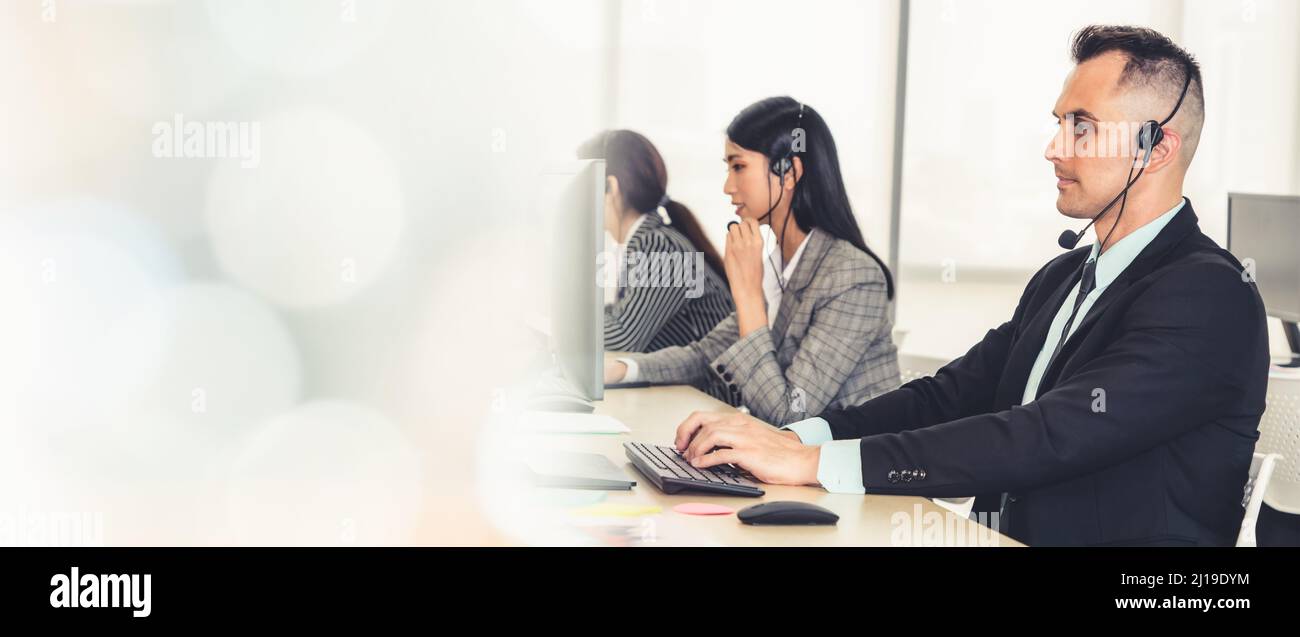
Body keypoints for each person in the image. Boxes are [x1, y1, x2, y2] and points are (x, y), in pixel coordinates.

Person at [671, 26, 1269, 546]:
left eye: (1081, 128)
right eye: (1059, 124)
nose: (1053, 149)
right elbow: (948, 395)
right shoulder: (1065, 276)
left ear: (1155, 147)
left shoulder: (1207, 296)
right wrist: (792, 436)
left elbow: (1045, 434)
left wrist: (813, 463)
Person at [605, 97, 899, 426]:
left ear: (789, 172)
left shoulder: (852, 276)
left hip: (835, 471)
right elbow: (704, 355)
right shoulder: (781, 266)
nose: (728, 186)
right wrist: (622, 370)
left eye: (739, 166)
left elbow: (790, 415)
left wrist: (747, 293)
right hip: (786, 461)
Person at [580, 130, 733, 352]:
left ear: (611, 188)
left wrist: (562, 325)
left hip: (704, 387)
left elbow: (623, 338)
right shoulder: (646, 242)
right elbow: (619, 318)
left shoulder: (661, 247)